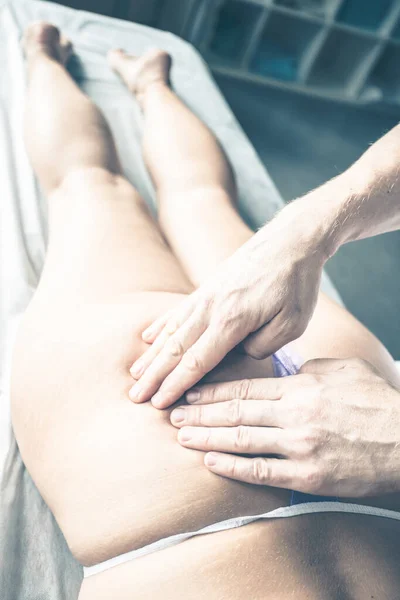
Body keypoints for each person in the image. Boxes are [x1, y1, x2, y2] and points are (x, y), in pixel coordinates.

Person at [12, 22, 400, 600]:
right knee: (113, 189)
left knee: (121, 190)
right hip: (341, 423)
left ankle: (102, 73)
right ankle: (121, 78)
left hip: (317, 400)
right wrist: (306, 232)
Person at [128, 91, 400, 499]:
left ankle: (146, 83)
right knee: (181, 200)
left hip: (354, 390)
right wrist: (304, 230)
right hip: (355, 390)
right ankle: (148, 83)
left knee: (158, 194)